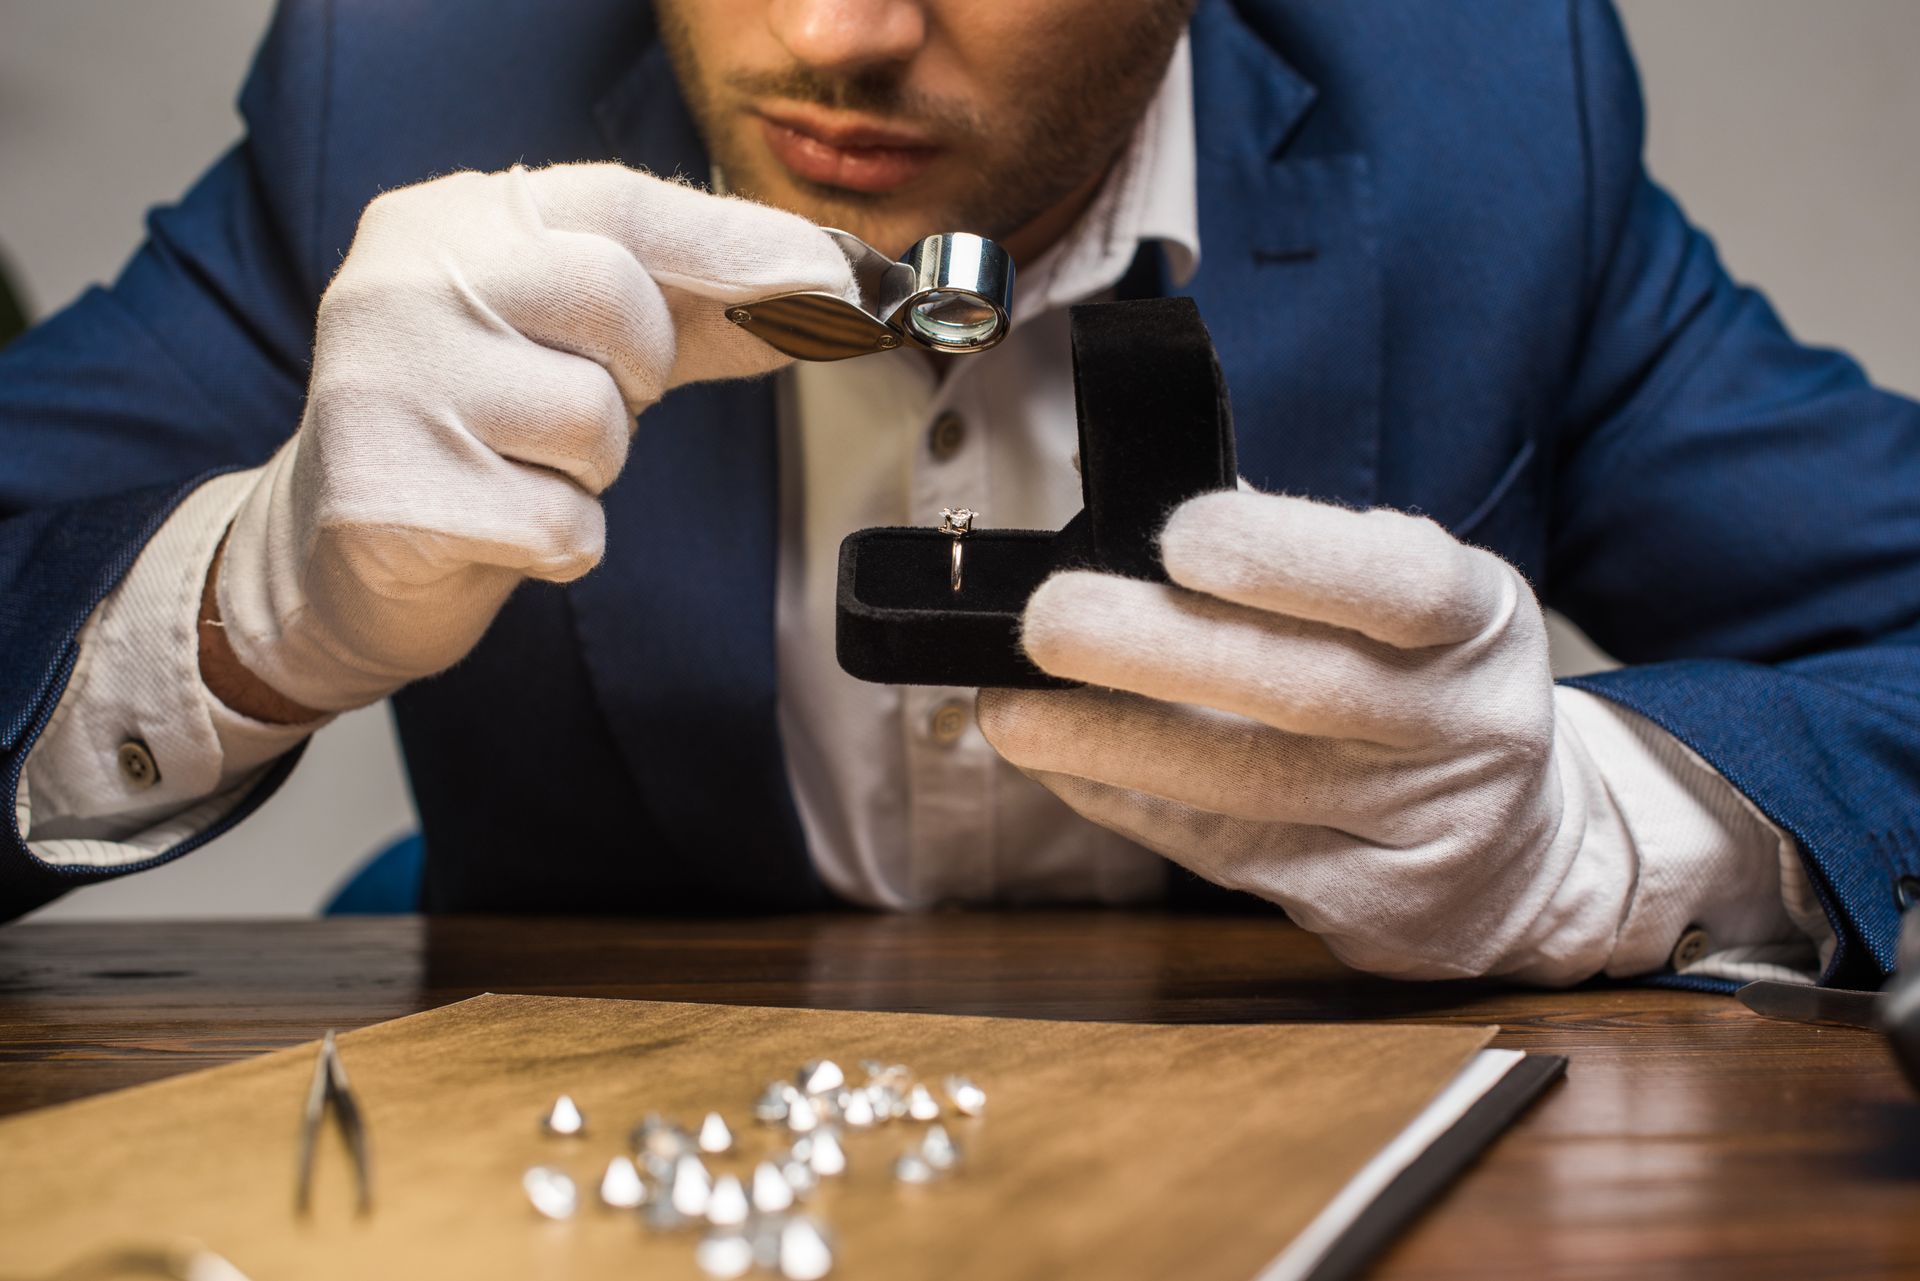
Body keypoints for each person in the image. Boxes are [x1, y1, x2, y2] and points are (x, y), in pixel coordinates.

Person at [2, 0, 1915, 988]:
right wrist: (242, 611)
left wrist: (1594, 838)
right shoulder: (400, 76)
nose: (836, 33)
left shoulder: (1487, 118)